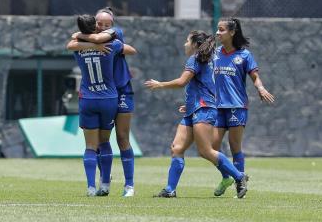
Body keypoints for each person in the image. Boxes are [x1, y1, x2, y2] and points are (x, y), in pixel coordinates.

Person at [145, 30, 248, 198]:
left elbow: (182, 82)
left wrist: (160, 84)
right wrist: (190, 104)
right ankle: (170, 190)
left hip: (204, 109)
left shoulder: (196, 58)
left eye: (187, 41)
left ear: (194, 44)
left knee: (206, 150)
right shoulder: (208, 59)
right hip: (195, 108)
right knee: (177, 148)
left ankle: (238, 176)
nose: (185, 44)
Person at [66, 14, 136, 197]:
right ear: (95, 24)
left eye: (108, 24)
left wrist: (86, 41)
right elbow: (130, 50)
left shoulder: (113, 34)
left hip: (95, 96)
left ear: (113, 25)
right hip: (108, 96)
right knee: (104, 142)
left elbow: (71, 44)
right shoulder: (112, 45)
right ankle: (105, 182)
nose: (104, 26)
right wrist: (96, 45)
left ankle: (123, 186)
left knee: (114, 139)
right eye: (100, 23)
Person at [210, 17, 274, 197]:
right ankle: (229, 177)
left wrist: (260, 88)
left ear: (232, 32)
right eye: (217, 29)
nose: (217, 33)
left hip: (237, 106)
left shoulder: (244, 55)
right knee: (211, 146)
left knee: (234, 146)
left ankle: (240, 187)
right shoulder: (215, 54)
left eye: (221, 30)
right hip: (217, 106)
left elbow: (255, 76)